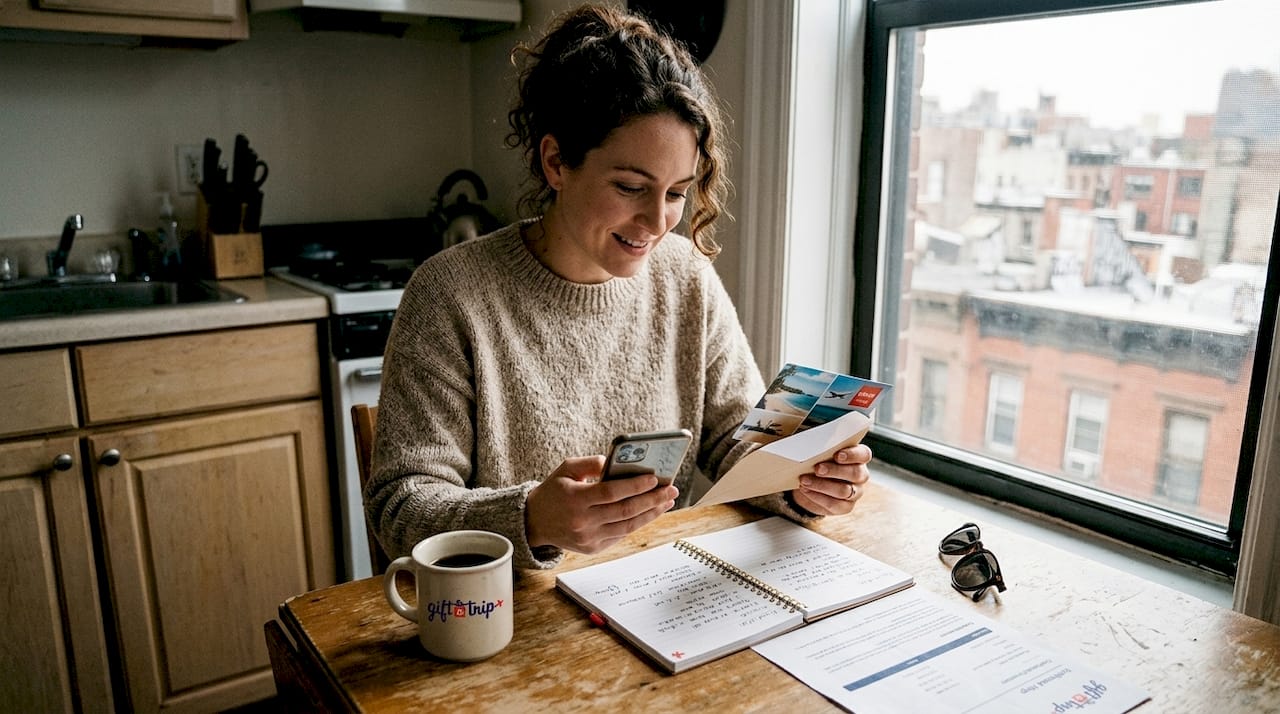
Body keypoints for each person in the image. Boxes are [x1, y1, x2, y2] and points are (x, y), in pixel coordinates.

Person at [364, 3, 872, 571]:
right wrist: (532, 517)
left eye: (677, 193)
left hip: (650, 595)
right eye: (631, 187)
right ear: (556, 162)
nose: (657, 222)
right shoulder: (449, 294)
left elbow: (737, 436)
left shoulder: (686, 275)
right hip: (508, 616)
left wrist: (803, 480)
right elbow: (400, 507)